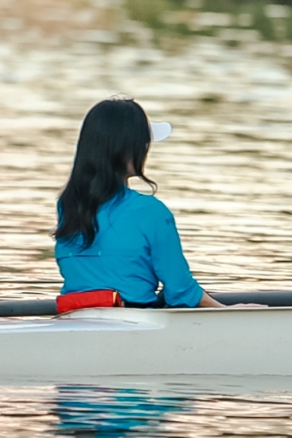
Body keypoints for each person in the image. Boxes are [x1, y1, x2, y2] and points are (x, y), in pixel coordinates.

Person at [52, 98, 223, 310]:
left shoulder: (68, 206)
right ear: (127, 149)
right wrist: (227, 310)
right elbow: (180, 290)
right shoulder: (151, 211)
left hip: (73, 317)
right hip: (135, 323)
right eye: (143, 143)